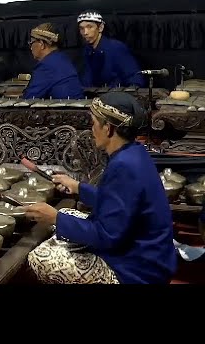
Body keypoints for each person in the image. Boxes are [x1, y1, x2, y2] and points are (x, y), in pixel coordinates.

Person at [25, 91, 177, 284]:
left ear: (109, 129)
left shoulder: (124, 166)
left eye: (94, 122)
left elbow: (107, 236)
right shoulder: (134, 154)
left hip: (138, 269)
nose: (92, 128)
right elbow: (119, 203)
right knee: (66, 213)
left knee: (40, 258)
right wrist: (79, 187)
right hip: (145, 253)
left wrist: (55, 218)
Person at [77, 10, 145, 88]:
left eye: (89, 27)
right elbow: (87, 79)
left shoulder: (116, 47)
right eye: (81, 28)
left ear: (101, 27)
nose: (85, 32)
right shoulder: (87, 50)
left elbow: (135, 78)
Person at [22, 23, 85, 99]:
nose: (31, 48)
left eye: (31, 43)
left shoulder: (46, 67)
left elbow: (29, 98)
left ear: (41, 44)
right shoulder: (62, 58)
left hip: (67, 110)